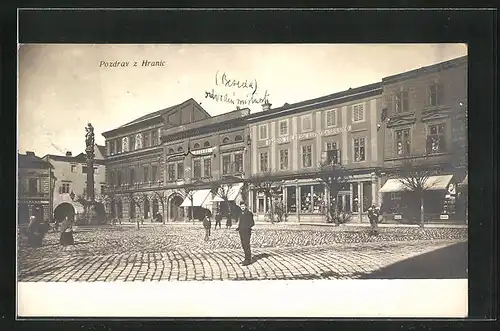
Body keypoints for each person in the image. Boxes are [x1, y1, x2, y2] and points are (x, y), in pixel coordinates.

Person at [236, 202, 254, 266]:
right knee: (243, 245)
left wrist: (247, 227)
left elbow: (252, 223)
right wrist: (238, 228)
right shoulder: (241, 213)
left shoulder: (249, 213)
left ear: (246, 206)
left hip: (247, 232)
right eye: (241, 206)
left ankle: (248, 260)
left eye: (243, 206)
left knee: (247, 245)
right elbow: (241, 222)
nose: (242, 207)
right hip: (241, 231)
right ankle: (246, 258)